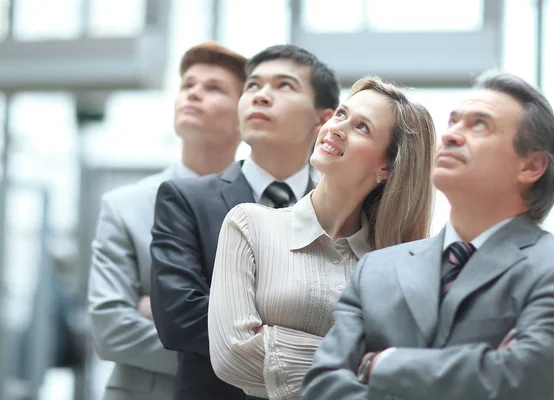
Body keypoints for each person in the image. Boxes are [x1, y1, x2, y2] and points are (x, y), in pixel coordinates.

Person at [301, 70, 554, 400]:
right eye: (454, 122)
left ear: (530, 166)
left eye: (479, 125)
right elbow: (321, 387)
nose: (452, 135)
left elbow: (525, 380)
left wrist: (382, 365)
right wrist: (485, 366)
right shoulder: (375, 269)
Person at [207, 76, 436, 400]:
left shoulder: (397, 268)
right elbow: (232, 355)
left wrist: (274, 342)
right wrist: (368, 366)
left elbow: (415, 379)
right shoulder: (249, 224)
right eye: (341, 114)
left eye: (362, 128)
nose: (337, 127)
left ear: (386, 167)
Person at [149, 44, 340, 400]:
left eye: (284, 86)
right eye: (252, 86)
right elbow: (180, 319)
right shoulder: (186, 199)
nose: (261, 96)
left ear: (323, 120)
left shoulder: (343, 211)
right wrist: (329, 347)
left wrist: (241, 319)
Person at [87, 42, 247, 400]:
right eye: (187, 85)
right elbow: (110, 329)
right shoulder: (124, 206)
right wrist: (240, 357)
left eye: (213, 88)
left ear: (244, 116)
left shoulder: (265, 208)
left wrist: (164, 314)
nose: (193, 94)